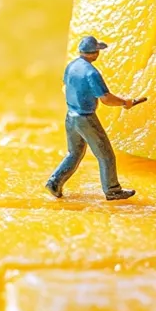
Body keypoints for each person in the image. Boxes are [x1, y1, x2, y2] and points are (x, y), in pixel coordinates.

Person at [45, 36, 147, 200]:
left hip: (71, 115)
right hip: (86, 118)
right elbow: (105, 98)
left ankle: (54, 182)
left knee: (74, 153)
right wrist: (124, 102)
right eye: (97, 51)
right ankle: (113, 190)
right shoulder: (92, 73)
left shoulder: (71, 66)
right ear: (93, 54)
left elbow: (64, 86)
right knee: (105, 154)